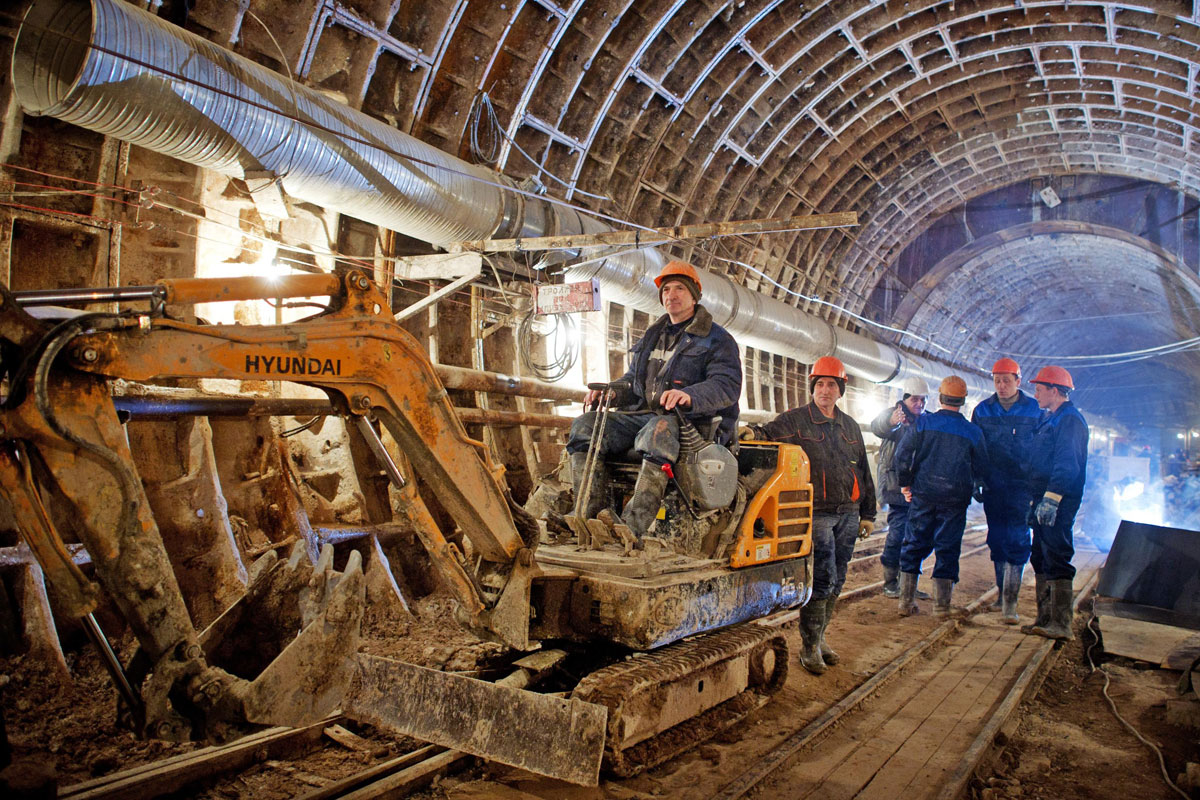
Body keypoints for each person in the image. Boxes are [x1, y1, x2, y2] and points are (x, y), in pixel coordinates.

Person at [565, 260, 742, 539]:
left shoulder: (718, 340)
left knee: (657, 430)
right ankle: (589, 518)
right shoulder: (653, 335)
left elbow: (727, 385)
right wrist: (613, 391)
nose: (671, 295)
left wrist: (689, 395)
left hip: (692, 425)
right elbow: (633, 380)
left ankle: (631, 526)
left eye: (680, 289)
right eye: (666, 289)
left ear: (695, 295)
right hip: (644, 417)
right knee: (585, 426)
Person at [746, 356, 875, 675]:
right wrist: (749, 433)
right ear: (812, 388)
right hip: (816, 513)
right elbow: (766, 433)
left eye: (831, 384)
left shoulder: (850, 427)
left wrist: (868, 514)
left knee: (839, 576)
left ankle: (819, 638)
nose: (825, 390)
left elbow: (864, 472)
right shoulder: (795, 420)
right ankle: (809, 647)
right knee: (823, 576)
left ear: (840, 389)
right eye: (819, 385)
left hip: (848, 513)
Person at [894, 376, 990, 617]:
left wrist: (905, 484)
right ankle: (941, 606)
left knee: (914, 544)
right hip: (955, 500)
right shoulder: (973, 431)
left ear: (939, 397)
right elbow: (982, 467)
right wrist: (976, 486)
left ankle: (905, 602)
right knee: (947, 548)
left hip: (923, 494)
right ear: (963, 401)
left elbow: (902, 455)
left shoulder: (924, 423)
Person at [970, 358, 1041, 624]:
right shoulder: (983, 410)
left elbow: (1043, 449)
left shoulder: (1034, 409)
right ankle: (1002, 596)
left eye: (1006, 380)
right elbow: (975, 448)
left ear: (1018, 381)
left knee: (1018, 539)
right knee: (997, 539)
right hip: (993, 486)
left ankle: (1011, 603)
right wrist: (976, 478)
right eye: (997, 380)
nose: (1001, 385)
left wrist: (1039, 486)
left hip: (1022, 488)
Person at [1022, 365, 1088, 641]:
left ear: (1054, 390)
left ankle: (1061, 623)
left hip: (1057, 500)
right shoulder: (1051, 418)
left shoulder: (1069, 420)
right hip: (1042, 498)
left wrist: (1052, 498)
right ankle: (1045, 618)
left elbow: (1066, 462)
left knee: (1057, 555)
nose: (1035, 394)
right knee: (1040, 555)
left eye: (1039, 389)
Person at [870, 376, 930, 599]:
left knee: (919, 539)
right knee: (897, 536)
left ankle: (909, 584)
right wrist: (892, 421)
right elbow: (878, 426)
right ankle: (890, 581)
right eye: (915, 399)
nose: (920, 404)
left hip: (921, 490)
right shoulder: (894, 416)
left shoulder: (927, 421)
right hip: (897, 489)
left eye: (923, 400)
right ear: (904, 399)